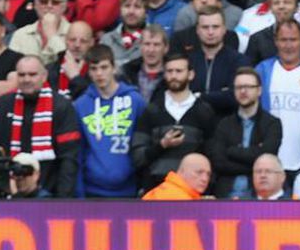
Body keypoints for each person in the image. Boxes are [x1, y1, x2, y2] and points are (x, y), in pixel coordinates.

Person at [0, 55, 81, 198]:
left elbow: (68, 158)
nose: (26, 79)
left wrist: (62, 201)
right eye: (21, 75)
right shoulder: (5, 104)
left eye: (32, 74)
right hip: (8, 192)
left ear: (44, 76)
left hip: (48, 194)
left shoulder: (61, 106)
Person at [131, 52, 216, 191]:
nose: (174, 76)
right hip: (156, 190)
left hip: (192, 193)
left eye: (179, 71)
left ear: (191, 74)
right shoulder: (152, 109)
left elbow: (212, 157)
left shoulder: (204, 111)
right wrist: (162, 145)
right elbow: (137, 157)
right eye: (169, 71)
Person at [75, 45, 147, 198]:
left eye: (104, 67)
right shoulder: (80, 105)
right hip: (92, 191)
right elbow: (78, 153)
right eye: (94, 69)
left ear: (114, 68)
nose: (99, 73)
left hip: (129, 190)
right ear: (88, 72)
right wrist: (79, 195)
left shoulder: (135, 101)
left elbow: (143, 145)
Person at [257, 20, 300, 174]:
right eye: (283, 40)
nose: (288, 45)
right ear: (276, 41)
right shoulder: (262, 71)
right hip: (268, 162)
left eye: (293, 39)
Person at [210, 66, 281, 198]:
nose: (243, 91)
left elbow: (268, 158)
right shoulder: (224, 124)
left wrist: (232, 151)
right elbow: (218, 163)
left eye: (248, 87)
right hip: (225, 194)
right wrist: (255, 160)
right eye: (238, 87)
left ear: (259, 90)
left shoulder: (272, 123)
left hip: (258, 195)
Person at [189, 6, 250, 117]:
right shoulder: (188, 61)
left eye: (215, 27)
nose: (210, 32)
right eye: (205, 27)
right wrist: (221, 94)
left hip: (229, 124)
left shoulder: (238, 61)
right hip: (194, 125)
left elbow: (236, 95)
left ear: (224, 29)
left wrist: (199, 96)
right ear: (197, 30)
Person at [9, 0, 70, 65]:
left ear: (64, 6)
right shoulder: (20, 35)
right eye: (44, 2)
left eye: (55, 2)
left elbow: (70, 65)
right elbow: (12, 68)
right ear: (36, 5)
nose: (49, 6)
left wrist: (52, 35)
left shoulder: (74, 32)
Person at [100, 0, 147, 69]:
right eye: (127, 6)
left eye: (137, 7)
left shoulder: (155, 39)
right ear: (120, 9)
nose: (131, 11)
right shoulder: (106, 40)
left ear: (146, 11)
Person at [121, 24, 169, 103]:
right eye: (147, 44)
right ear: (140, 46)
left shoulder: (173, 74)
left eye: (156, 45)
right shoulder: (126, 73)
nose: (151, 50)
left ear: (166, 48)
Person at [47, 22, 94, 101]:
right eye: (73, 40)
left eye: (83, 41)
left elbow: (92, 101)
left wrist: (76, 78)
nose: (77, 45)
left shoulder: (97, 71)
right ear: (66, 40)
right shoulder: (48, 71)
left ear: (91, 43)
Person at [142, 152, 212, 200]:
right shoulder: (178, 199)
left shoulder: (169, 189)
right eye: (199, 172)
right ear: (182, 171)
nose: (205, 179)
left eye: (208, 174)